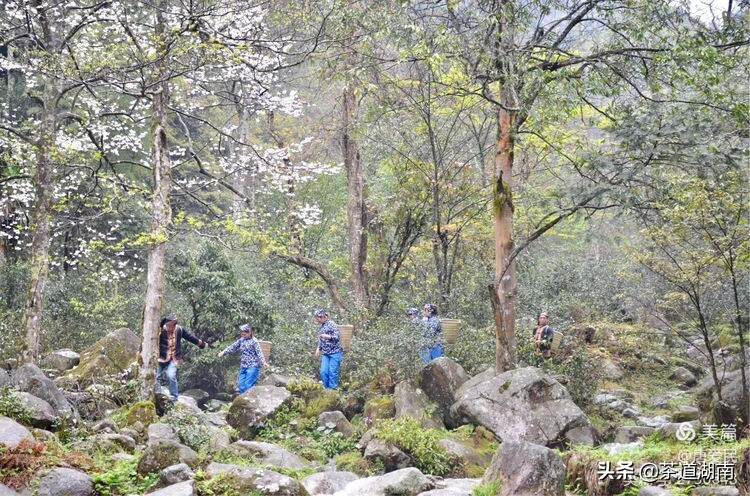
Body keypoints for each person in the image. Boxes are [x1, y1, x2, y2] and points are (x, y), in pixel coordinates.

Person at [156, 315, 208, 401]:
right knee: (156, 376)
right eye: (168, 326)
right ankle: (156, 394)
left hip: (174, 358)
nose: (169, 328)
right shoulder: (160, 331)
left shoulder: (179, 330)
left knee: (171, 375)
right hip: (161, 358)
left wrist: (202, 344)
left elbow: (190, 337)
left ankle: (174, 398)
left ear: (174, 325)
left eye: (171, 326)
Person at [218, 324, 269, 394]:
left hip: (253, 366)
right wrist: (223, 352)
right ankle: (243, 402)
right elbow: (233, 347)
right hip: (244, 366)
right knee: (241, 385)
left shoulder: (254, 341)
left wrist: (264, 362)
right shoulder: (241, 340)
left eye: (246, 331)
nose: (243, 333)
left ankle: (249, 402)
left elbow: (259, 352)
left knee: (248, 385)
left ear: (250, 332)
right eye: (242, 331)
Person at [314, 308, 343, 390]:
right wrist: (318, 348)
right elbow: (321, 338)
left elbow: (337, 337)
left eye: (319, 317)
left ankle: (333, 390)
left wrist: (328, 337)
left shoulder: (331, 324)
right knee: (323, 372)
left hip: (335, 352)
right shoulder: (322, 326)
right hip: (326, 353)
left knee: (332, 372)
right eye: (317, 317)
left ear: (324, 317)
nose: (318, 319)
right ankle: (326, 389)